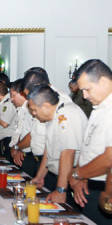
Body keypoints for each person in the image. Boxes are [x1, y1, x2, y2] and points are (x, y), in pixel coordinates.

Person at [68, 59, 112, 224]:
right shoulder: (99, 108)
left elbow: (109, 158)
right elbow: (89, 147)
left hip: (105, 190)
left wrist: (77, 174)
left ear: (102, 81)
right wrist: (82, 176)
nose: (84, 96)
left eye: (87, 89)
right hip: (89, 184)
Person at [28, 85, 87, 204]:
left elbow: (68, 153)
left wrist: (61, 190)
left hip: (75, 181)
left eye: (34, 110)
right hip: (62, 178)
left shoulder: (66, 115)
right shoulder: (53, 117)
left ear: (45, 106)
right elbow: (48, 150)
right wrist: (40, 176)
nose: (33, 114)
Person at [8, 79, 36, 177]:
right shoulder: (20, 109)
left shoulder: (31, 109)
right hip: (20, 152)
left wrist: (17, 148)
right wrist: (13, 147)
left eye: (13, 95)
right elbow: (18, 132)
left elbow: (32, 134)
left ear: (22, 94)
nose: (11, 99)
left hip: (29, 155)